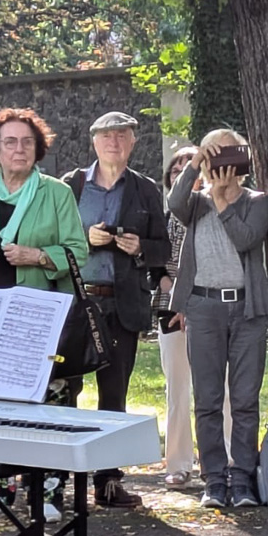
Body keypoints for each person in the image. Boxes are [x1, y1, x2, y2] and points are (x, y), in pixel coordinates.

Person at [0, 108, 89, 523]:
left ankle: (47, 492)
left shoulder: (56, 193)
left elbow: (78, 252)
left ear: (38, 148)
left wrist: (38, 255)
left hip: (40, 320)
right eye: (9, 141)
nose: (19, 149)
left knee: (49, 406)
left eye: (27, 142)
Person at [62, 111, 170, 509]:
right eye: (107, 136)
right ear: (94, 142)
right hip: (76, 302)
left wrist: (140, 248)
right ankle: (64, 483)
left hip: (122, 303)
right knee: (66, 392)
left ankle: (107, 484)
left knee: (114, 397)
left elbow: (163, 248)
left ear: (132, 143)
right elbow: (52, 238)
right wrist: (84, 238)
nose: (114, 142)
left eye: (122, 136)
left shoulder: (143, 190)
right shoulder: (71, 186)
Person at [167, 129, 268, 510]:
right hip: (202, 308)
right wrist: (195, 163)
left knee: (244, 399)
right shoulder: (195, 203)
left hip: (247, 311)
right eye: (216, 155)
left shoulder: (257, 201)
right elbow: (174, 201)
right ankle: (213, 480)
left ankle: (242, 479)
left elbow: (247, 239)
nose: (222, 164)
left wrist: (225, 201)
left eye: (230, 154)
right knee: (207, 400)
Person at [153, 146, 199, 489]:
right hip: (169, 309)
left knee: (222, 389)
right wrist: (175, 294)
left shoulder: (216, 211)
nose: (182, 174)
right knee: (178, 390)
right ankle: (179, 463)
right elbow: (154, 264)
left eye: (190, 167)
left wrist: (193, 301)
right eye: (176, 170)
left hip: (209, 308)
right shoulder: (164, 218)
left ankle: (225, 460)